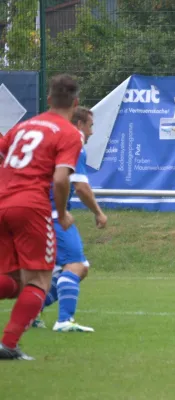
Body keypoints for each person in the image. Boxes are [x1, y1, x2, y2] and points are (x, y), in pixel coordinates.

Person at [0, 74, 84, 360]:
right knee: (39, 281)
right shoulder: (69, 133)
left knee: (12, 279)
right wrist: (61, 214)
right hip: (30, 207)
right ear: (76, 103)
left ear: (48, 99)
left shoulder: (24, 126)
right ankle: (8, 345)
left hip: (2, 202)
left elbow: (3, 155)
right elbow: (61, 180)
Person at [33, 106, 107, 332]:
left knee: (61, 269)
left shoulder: (50, 139)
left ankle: (31, 310)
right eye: (90, 126)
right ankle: (64, 320)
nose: (92, 132)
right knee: (77, 265)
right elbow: (82, 187)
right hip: (52, 215)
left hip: (34, 213)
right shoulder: (73, 142)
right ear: (79, 125)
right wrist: (98, 212)